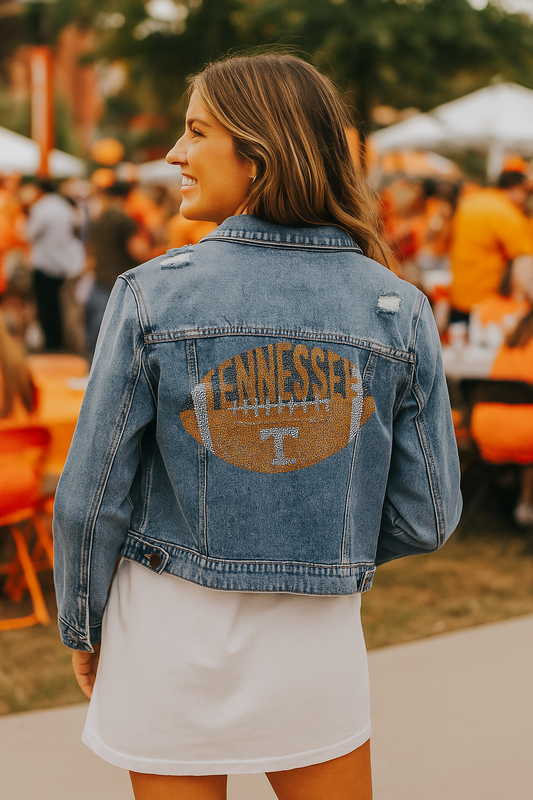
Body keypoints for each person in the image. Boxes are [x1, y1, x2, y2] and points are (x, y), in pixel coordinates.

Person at [53, 53, 462, 800]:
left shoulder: (151, 299)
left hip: (165, 635)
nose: (174, 153)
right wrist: (318, 543)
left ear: (258, 152)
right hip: (314, 646)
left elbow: (90, 498)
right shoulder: (395, 306)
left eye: (195, 132)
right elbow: (426, 515)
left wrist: (82, 625)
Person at [449, 169, 533, 324]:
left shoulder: (469, 201)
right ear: (515, 188)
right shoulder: (507, 213)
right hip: (486, 300)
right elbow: (525, 258)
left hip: (458, 294)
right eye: (525, 193)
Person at [83, 181, 148, 359]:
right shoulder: (123, 219)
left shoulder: (99, 219)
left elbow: (90, 249)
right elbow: (137, 249)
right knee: (115, 337)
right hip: (119, 281)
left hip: (99, 280)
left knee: (97, 333)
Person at [26, 179, 85, 351]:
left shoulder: (41, 207)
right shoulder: (64, 206)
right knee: (60, 306)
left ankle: (52, 343)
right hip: (63, 264)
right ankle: (60, 341)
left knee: (46, 306)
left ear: (39, 190)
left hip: (45, 263)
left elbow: (31, 234)